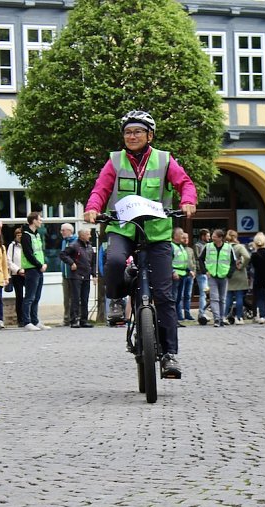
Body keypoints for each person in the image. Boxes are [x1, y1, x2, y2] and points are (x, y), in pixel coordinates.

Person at [83, 110, 197, 378]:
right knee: (112, 261)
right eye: (127, 132)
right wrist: (92, 208)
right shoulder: (115, 161)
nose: (131, 136)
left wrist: (188, 200)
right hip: (123, 228)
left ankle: (169, 354)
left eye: (137, 132)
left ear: (150, 135)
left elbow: (185, 183)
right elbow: (100, 189)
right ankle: (115, 300)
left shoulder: (164, 160)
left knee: (165, 296)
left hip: (156, 233)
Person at [199, 229, 235, 327]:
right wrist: (205, 271)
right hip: (212, 276)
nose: (212, 237)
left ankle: (222, 318)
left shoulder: (228, 248)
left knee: (222, 299)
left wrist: (229, 274)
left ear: (220, 238)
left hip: (223, 276)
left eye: (214, 235)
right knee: (214, 298)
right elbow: (201, 259)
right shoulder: (208, 246)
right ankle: (217, 319)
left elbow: (233, 262)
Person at [20, 212, 49, 331]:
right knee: (29, 297)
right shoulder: (26, 235)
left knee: (36, 297)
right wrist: (39, 265)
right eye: (39, 219)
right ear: (34, 221)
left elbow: (39, 252)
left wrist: (43, 264)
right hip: (31, 269)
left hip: (38, 269)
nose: (41, 221)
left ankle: (35, 320)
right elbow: (28, 254)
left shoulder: (36, 235)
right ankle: (27, 321)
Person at [62, 228, 96, 328]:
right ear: (82, 235)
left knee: (85, 298)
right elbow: (63, 254)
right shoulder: (74, 245)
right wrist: (71, 263)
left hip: (86, 275)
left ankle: (84, 320)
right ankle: (74, 320)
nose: (90, 236)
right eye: (88, 234)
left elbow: (93, 262)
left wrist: (94, 275)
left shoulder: (89, 246)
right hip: (76, 275)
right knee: (75, 298)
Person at [225, 229, 251, 325]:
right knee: (239, 296)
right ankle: (238, 317)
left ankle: (225, 316)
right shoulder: (239, 247)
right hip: (239, 273)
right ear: (236, 237)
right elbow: (247, 256)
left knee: (228, 296)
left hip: (229, 273)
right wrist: (242, 265)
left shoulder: (225, 247)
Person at [6, 228, 26, 327]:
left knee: (30, 296)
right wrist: (18, 270)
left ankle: (29, 317)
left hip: (27, 273)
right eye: (18, 235)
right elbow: (9, 260)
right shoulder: (12, 246)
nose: (20, 236)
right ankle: (20, 319)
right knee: (19, 297)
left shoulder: (27, 245)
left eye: (21, 234)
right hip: (16, 274)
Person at [171, 227, 190, 323]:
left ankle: (176, 320)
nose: (183, 235)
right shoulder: (171, 246)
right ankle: (173, 320)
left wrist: (189, 270)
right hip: (175, 276)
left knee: (178, 298)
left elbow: (183, 261)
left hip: (183, 274)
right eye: (181, 234)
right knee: (173, 298)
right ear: (175, 236)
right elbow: (167, 261)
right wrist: (172, 271)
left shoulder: (181, 246)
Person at [59, 223, 76, 326]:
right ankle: (66, 318)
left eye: (63, 230)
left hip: (73, 273)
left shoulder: (75, 241)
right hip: (65, 274)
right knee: (66, 298)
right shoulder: (63, 242)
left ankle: (74, 317)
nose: (61, 232)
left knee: (74, 297)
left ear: (69, 230)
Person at [193, 228, 210, 323]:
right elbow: (198, 259)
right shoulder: (197, 246)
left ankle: (203, 312)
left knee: (207, 294)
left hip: (209, 272)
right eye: (207, 236)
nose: (209, 238)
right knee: (203, 294)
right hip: (202, 273)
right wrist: (202, 270)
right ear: (203, 236)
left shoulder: (209, 245)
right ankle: (201, 313)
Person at [180, 230, 196, 321]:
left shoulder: (190, 250)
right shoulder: (179, 248)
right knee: (180, 295)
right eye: (184, 238)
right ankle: (179, 314)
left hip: (191, 276)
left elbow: (193, 262)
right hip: (182, 274)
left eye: (187, 238)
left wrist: (194, 272)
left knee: (188, 295)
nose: (186, 240)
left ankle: (187, 313)